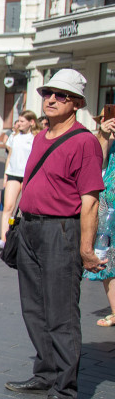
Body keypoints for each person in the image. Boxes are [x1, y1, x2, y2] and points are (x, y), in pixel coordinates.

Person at [4, 69, 104, 399]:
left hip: (61, 231)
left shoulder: (84, 141)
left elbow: (90, 200)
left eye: (60, 95)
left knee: (61, 312)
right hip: (29, 228)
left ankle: (65, 389)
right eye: (48, 92)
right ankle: (45, 373)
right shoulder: (41, 136)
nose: (50, 99)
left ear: (76, 103)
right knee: (33, 307)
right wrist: (13, 221)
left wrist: (86, 249)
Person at [0, 110, 39, 249]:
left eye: (22, 121)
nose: (19, 124)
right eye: (18, 121)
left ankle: (25, 239)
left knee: (26, 208)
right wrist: (5, 175)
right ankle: (4, 239)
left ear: (31, 123)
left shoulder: (35, 138)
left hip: (28, 175)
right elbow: (10, 156)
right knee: (8, 207)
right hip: (13, 174)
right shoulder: (14, 137)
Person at [88, 113, 115, 326]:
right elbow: (94, 165)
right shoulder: (102, 140)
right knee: (108, 258)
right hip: (109, 210)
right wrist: (105, 135)